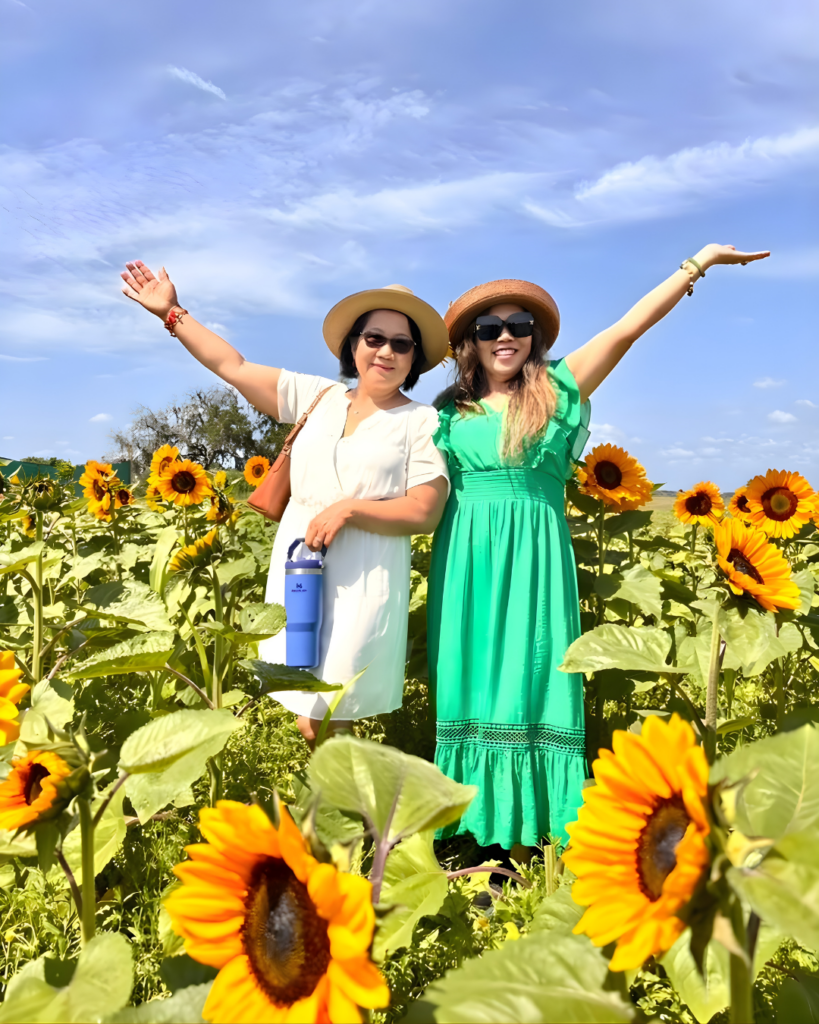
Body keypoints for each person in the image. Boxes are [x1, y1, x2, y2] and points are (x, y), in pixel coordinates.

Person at [427, 244, 769, 855]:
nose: (506, 337)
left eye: (519, 327)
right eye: (490, 328)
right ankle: (470, 833)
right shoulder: (448, 412)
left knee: (535, 671)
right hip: (468, 558)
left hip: (535, 552)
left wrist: (698, 264)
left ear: (534, 336)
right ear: (469, 343)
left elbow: (628, 328)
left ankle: (529, 837)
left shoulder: (558, 386)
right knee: (470, 678)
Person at [120, 263, 450, 746]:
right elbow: (231, 366)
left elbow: (426, 510)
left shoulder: (422, 421)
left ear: (415, 358)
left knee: (334, 712)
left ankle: (355, 816)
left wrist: (350, 510)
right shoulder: (317, 396)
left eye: (402, 344)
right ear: (353, 344)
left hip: (363, 573)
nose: (386, 352)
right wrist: (172, 313)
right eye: (374, 337)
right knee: (306, 711)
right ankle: (345, 813)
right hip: (301, 572)